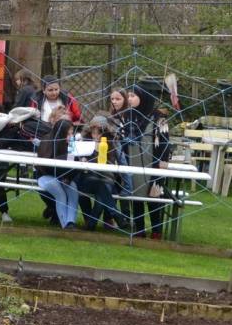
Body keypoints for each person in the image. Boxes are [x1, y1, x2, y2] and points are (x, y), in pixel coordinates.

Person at [121, 86, 172, 238]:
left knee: (153, 198)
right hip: (133, 162)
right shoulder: (128, 116)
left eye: (132, 95)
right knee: (136, 197)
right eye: (128, 96)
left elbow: (165, 144)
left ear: (143, 97)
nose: (129, 99)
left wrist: (161, 165)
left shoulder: (159, 118)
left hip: (153, 164)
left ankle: (156, 231)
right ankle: (139, 229)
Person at [74, 115, 125, 231]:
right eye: (93, 133)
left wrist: (99, 153)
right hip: (88, 177)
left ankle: (91, 224)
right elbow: (77, 160)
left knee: (102, 191)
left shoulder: (111, 143)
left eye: (99, 133)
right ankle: (116, 215)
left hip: (107, 177)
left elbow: (112, 163)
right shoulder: (84, 143)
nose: (96, 136)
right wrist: (85, 158)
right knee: (101, 188)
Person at [35, 105, 80, 229]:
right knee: (60, 194)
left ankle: (71, 222)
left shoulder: (70, 145)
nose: (70, 136)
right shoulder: (47, 141)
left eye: (71, 133)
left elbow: (73, 166)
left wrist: (68, 177)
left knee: (73, 190)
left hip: (64, 177)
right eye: (68, 134)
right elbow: (44, 166)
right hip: (45, 177)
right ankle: (64, 224)